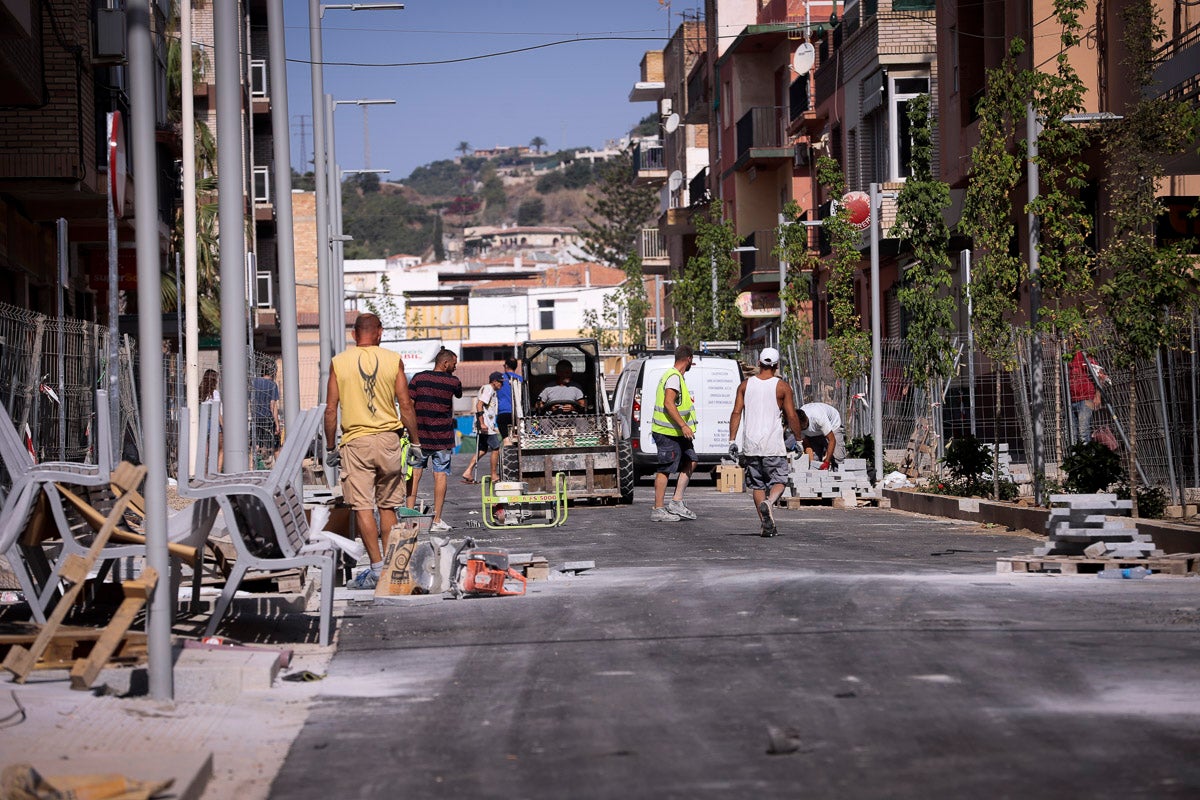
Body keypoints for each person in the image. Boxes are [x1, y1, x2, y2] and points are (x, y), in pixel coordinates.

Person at [324, 313, 422, 590]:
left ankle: (377, 569)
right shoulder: (393, 360)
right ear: (379, 332)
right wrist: (415, 442)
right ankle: (392, 569)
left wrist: (331, 446)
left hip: (356, 442)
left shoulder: (339, 363)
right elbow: (406, 404)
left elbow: (331, 409)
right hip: (389, 440)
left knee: (362, 505)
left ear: (354, 335)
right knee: (387, 505)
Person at [728, 348, 805, 537]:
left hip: (751, 445)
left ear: (758, 362)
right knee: (780, 480)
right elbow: (792, 415)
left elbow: (736, 412)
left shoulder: (745, 386)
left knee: (757, 485)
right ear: (777, 365)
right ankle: (769, 503)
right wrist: (799, 439)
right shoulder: (782, 387)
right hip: (772, 444)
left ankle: (766, 525)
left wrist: (731, 440)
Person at [407, 349, 462, 532]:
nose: (455, 367)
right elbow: (459, 393)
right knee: (440, 475)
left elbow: (409, 405)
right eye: (454, 363)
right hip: (443, 438)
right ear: (445, 364)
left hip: (419, 436)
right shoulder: (453, 381)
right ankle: (437, 520)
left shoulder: (418, 378)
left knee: (414, 475)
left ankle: (408, 517)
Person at [650, 344, 699, 522]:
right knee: (666, 468)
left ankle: (676, 502)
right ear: (689, 359)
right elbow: (668, 404)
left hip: (677, 432)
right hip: (667, 432)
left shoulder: (677, 377)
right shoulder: (673, 377)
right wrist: (684, 426)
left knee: (691, 460)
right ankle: (658, 509)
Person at [461, 372, 503, 484]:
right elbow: (479, 405)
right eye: (499, 382)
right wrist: (482, 423)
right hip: (485, 425)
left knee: (482, 450)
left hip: (486, 424)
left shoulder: (491, 391)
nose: (501, 385)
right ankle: (494, 474)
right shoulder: (488, 388)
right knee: (496, 447)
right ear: (494, 381)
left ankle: (468, 471)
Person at [1068, 349, 1105, 445]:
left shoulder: (1082, 355)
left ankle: (1087, 457)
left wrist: (1098, 395)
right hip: (1070, 400)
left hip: (1086, 398)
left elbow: (1100, 374)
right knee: (1071, 434)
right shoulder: (1064, 357)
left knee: (1083, 432)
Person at [798, 401, 846, 471]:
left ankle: (838, 475)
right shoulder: (796, 426)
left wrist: (827, 462)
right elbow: (807, 445)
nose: (800, 429)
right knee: (815, 459)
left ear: (804, 422)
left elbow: (832, 440)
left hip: (832, 425)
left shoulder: (818, 418)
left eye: (801, 427)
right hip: (815, 431)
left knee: (837, 457)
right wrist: (812, 465)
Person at [251, 362, 281, 466]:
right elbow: (273, 405)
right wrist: (277, 424)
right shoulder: (272, 385)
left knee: (255, 444)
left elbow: (251, 401)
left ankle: (251, 468)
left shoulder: (254, 382)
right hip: (268, 418)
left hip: (256, 417)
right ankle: (279, 469)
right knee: (275, 446)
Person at [199, 368, 224, 471]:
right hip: (213, 422)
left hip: (201, 422)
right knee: (220, 448)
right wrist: (223, 425)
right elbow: (216, 411)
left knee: (205, 449)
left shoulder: (198, 392)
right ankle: (217, 471)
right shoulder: (215, 393)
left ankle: (204, 470)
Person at [495, 357, 523, 440]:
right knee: (518, 440)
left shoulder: (499, 379)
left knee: (506, 439)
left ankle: (508, 449)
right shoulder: (521, 379)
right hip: (518, 414)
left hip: (503, 413)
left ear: (506, 366)